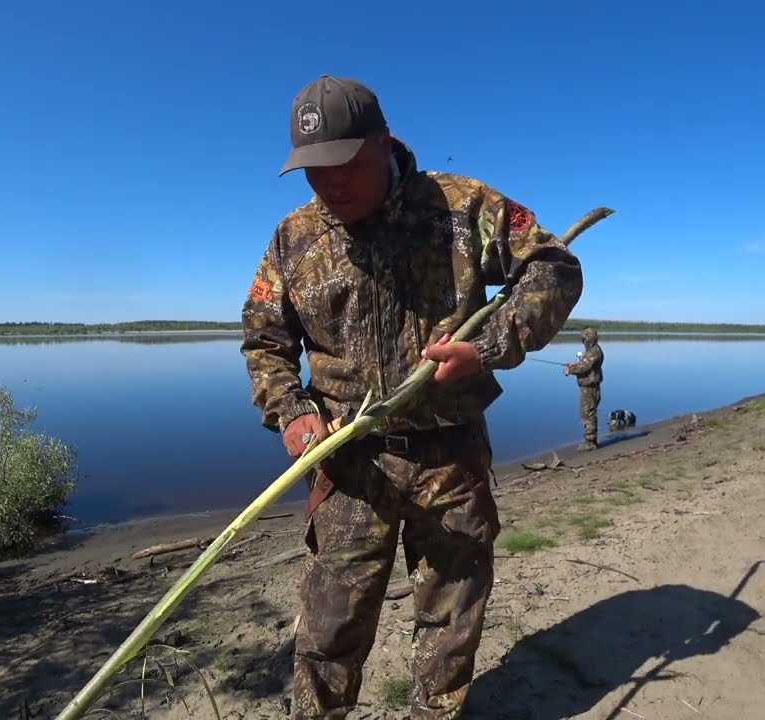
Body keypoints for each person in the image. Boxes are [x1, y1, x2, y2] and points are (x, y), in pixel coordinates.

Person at [240, 75, 584, 718]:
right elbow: (264, 341)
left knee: (452, 616)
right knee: (326, 633)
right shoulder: (294, 238)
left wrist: (491, 345)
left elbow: (554, 267)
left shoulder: (462, 206)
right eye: (313, 172)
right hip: (347, 462)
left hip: (449, 455)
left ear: (384, 142)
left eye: (344, 165)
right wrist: (291, 411)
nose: (330, 185)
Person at [563, 326, 604, 450]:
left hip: (590, 387)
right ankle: (591, 441)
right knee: (588, 413)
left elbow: (584, 368)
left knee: (588, 413)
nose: (584, 341)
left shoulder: (593, 351)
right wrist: (574, 364)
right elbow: (585, 364)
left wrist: (569, 370)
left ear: (588, 339)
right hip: (590, 386)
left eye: (584, 339)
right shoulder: (593, 350)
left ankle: (590, 443)